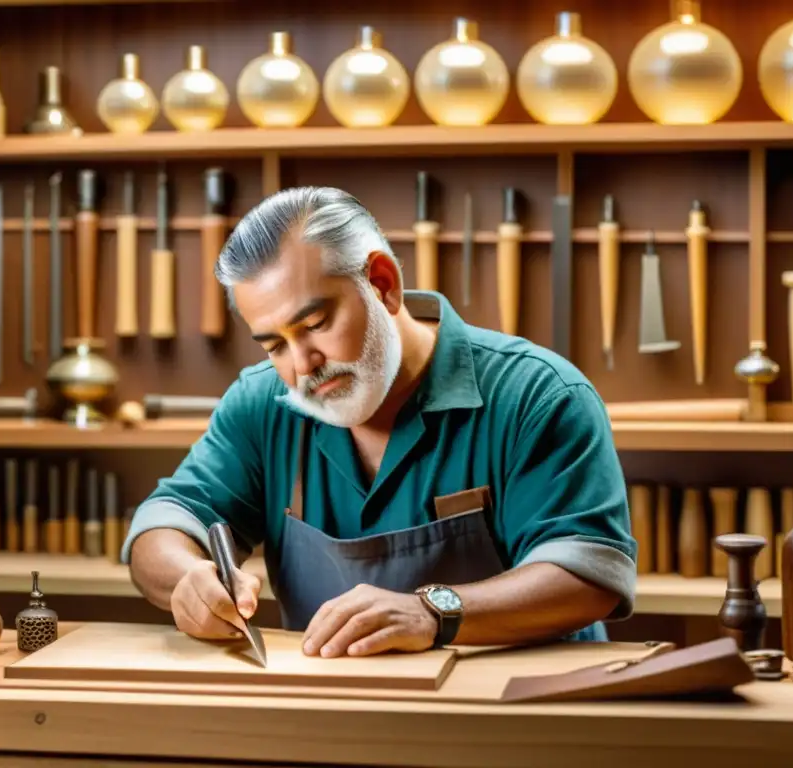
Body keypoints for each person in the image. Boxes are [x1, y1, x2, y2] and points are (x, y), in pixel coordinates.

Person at [122, 187, 636, 658]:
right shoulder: (261, 404)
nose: (302, 365)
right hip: (341, 720)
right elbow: (165, 520)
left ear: (383, 284)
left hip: (518, 720)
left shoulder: (538, 395)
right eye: (275, 344)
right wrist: (188, 577)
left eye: (316, 324)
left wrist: (433, 611)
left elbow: (589, 574)